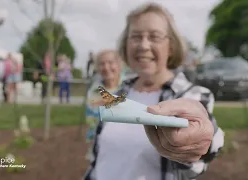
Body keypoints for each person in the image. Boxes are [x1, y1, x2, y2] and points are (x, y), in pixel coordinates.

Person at [83, 3, 224, 180]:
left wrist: (201, 142)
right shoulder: (118, 94)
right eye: (135, 37)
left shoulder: (192, 95)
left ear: (171, 47)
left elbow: (207, 145)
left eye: (154, 37)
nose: (143, 45)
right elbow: (99, 157)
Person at [84, 49, 126, 158]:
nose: (106, 67)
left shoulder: (130, 87)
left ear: (119, 65)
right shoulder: (94, 91)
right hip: (101, 146)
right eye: (102, 64)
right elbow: (92, 121)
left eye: (111, 63)